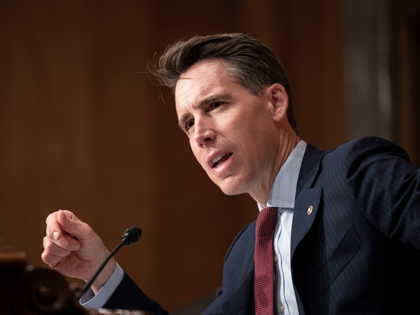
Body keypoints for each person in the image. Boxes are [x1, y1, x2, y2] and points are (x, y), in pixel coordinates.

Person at [42, 33, 420, 315]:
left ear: (275, 102)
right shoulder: (244, 254)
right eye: (188, 123)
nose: (200, 134)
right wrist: (100, 270)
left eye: (216, 105)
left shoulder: (354, 173)